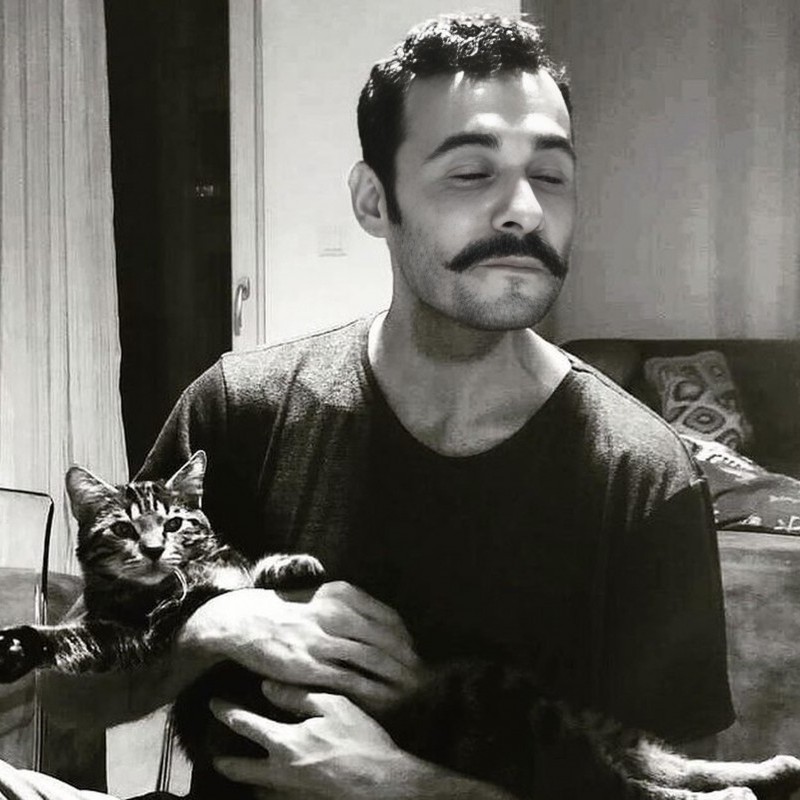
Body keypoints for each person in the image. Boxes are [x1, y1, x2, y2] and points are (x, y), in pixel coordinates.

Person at [37, 12, 733, 800]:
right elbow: (70, 699)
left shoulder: (644, 478)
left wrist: (404, 787)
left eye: (551, 174)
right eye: (471, 172)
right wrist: (208, 629)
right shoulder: (239, 412)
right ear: (374, 201)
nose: (526, 210)